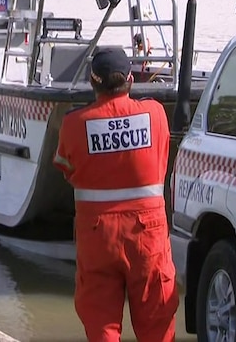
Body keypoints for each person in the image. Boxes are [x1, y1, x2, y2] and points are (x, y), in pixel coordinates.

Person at [53, 47, 178, 342]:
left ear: (93, 83)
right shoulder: (156, 114)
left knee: (101, 325)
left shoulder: (74, 124)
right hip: (149, 234)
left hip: (98, 234)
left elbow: (66, 167)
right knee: (157, 323)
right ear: (131, 80)